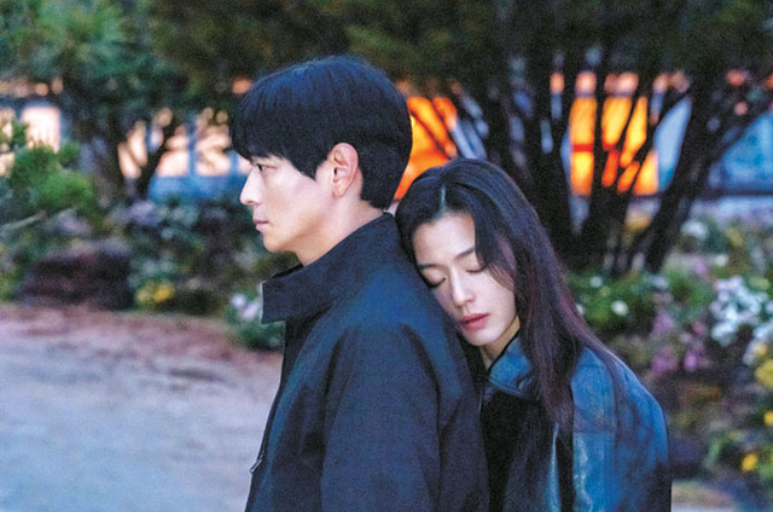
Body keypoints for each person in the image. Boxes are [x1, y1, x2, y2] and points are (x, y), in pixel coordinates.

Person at [232, 57, 489, 512]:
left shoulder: (380, 333)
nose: (247, 193)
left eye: (264, 167)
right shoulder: (355, 305)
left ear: (339, 169)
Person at [395, 158, 671, 511]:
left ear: (520, 249)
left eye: (476, 266)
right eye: (434, 278)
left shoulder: (592, 393)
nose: (459, 295)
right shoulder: (444, 384)